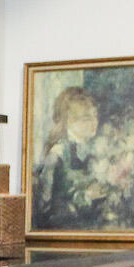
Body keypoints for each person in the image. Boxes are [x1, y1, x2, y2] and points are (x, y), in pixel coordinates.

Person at [32, 85, 108, 230]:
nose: (94, 123)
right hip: (62, 231)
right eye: (86, 119)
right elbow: (44, 211)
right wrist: (86, 197)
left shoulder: (92, 152)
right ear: (69, 122)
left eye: (95, 117)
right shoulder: (57, 156)